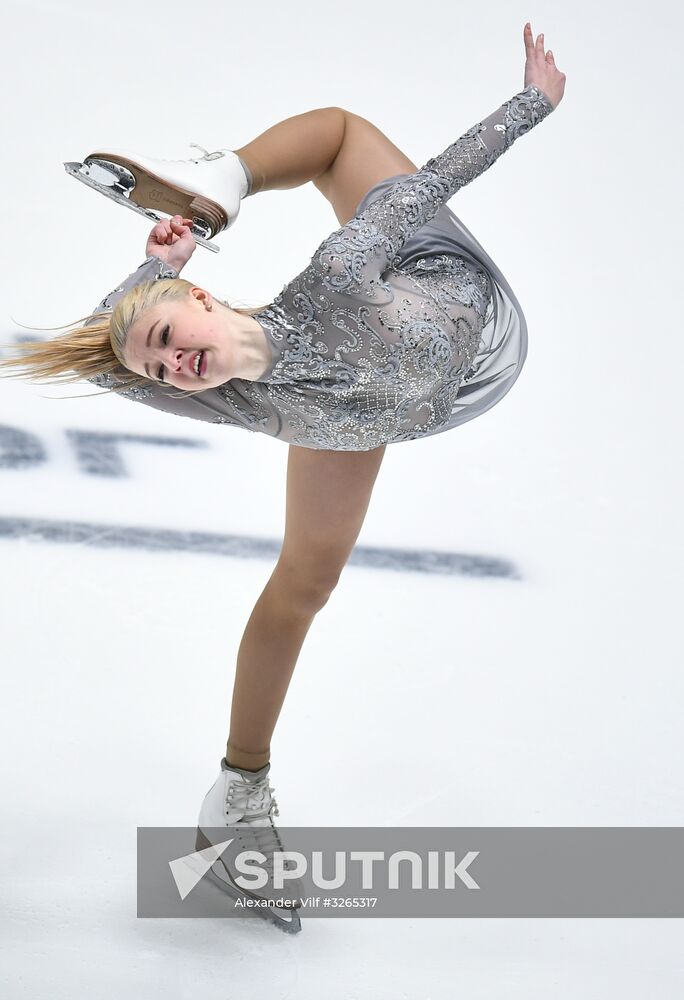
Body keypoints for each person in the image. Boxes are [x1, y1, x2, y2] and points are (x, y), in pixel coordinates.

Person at [0, 24, 565, 928]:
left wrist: (531, 103)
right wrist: (152, 272)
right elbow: (97, 358)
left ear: (205, 300)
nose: (169, 368)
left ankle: (230, 175)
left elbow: (431, 184)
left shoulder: (342, 271)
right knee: (303, 585)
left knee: (340, 132)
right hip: (353, 415)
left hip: (440, 291)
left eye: (169, 342)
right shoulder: (216, 394)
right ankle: (236, 803)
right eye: (156, 370)